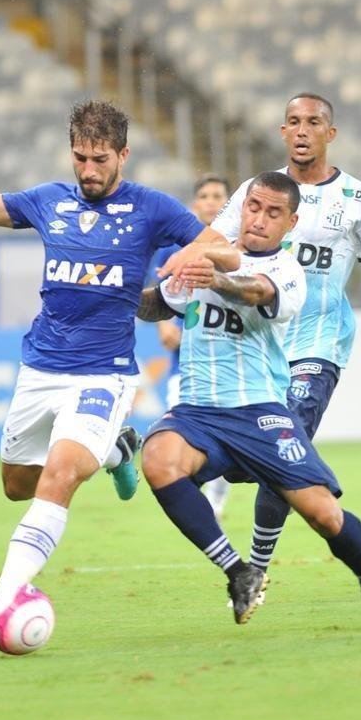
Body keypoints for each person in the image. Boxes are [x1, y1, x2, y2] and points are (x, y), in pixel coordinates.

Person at [0, 100, 231, 644]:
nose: (88, 169)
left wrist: (192, 258)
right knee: (17, 485)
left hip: (104, 375)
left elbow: (217, 242)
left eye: (100, 158)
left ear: (123, 154)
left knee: (57, 478)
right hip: (41, 367)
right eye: (80, 157)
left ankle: (0, 599)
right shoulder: (48, 200)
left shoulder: (151, 208)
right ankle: (117, 450)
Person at [137, 171, 361, 630]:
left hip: (258, 413)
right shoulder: (204, 260)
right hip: (199, 413)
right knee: (158, 459)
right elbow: (160, 303)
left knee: (321, 514)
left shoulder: (286, 271)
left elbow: (254, 291)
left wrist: (214, 278)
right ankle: (239, 571)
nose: (259, 219)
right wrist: (109, 292)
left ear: (291, 222)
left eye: (273, 213)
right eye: (254, 207)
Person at [211, 93, 361, 582]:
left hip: (319, 342)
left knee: (284, 441)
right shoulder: (259, 192)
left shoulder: (359, 199)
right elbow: (216, 241)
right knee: (245, 458)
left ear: (329, 134)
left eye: (313, 122)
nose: (301, 130)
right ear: (281, 132)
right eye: (293, 122)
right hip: (260, 341)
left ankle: (256, 567)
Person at [149, 174, 233, 522]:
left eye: (218, 195)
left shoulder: (237, 247)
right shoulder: (176, 248)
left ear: (229, 203)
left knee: (229, 442)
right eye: (204, 195)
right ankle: (201, 506)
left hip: (229, 365)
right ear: (195, 203)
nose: (211, 201)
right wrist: (164, 326)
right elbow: (158, 294)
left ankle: (216, 498)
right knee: (178, 437)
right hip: (183, 367)